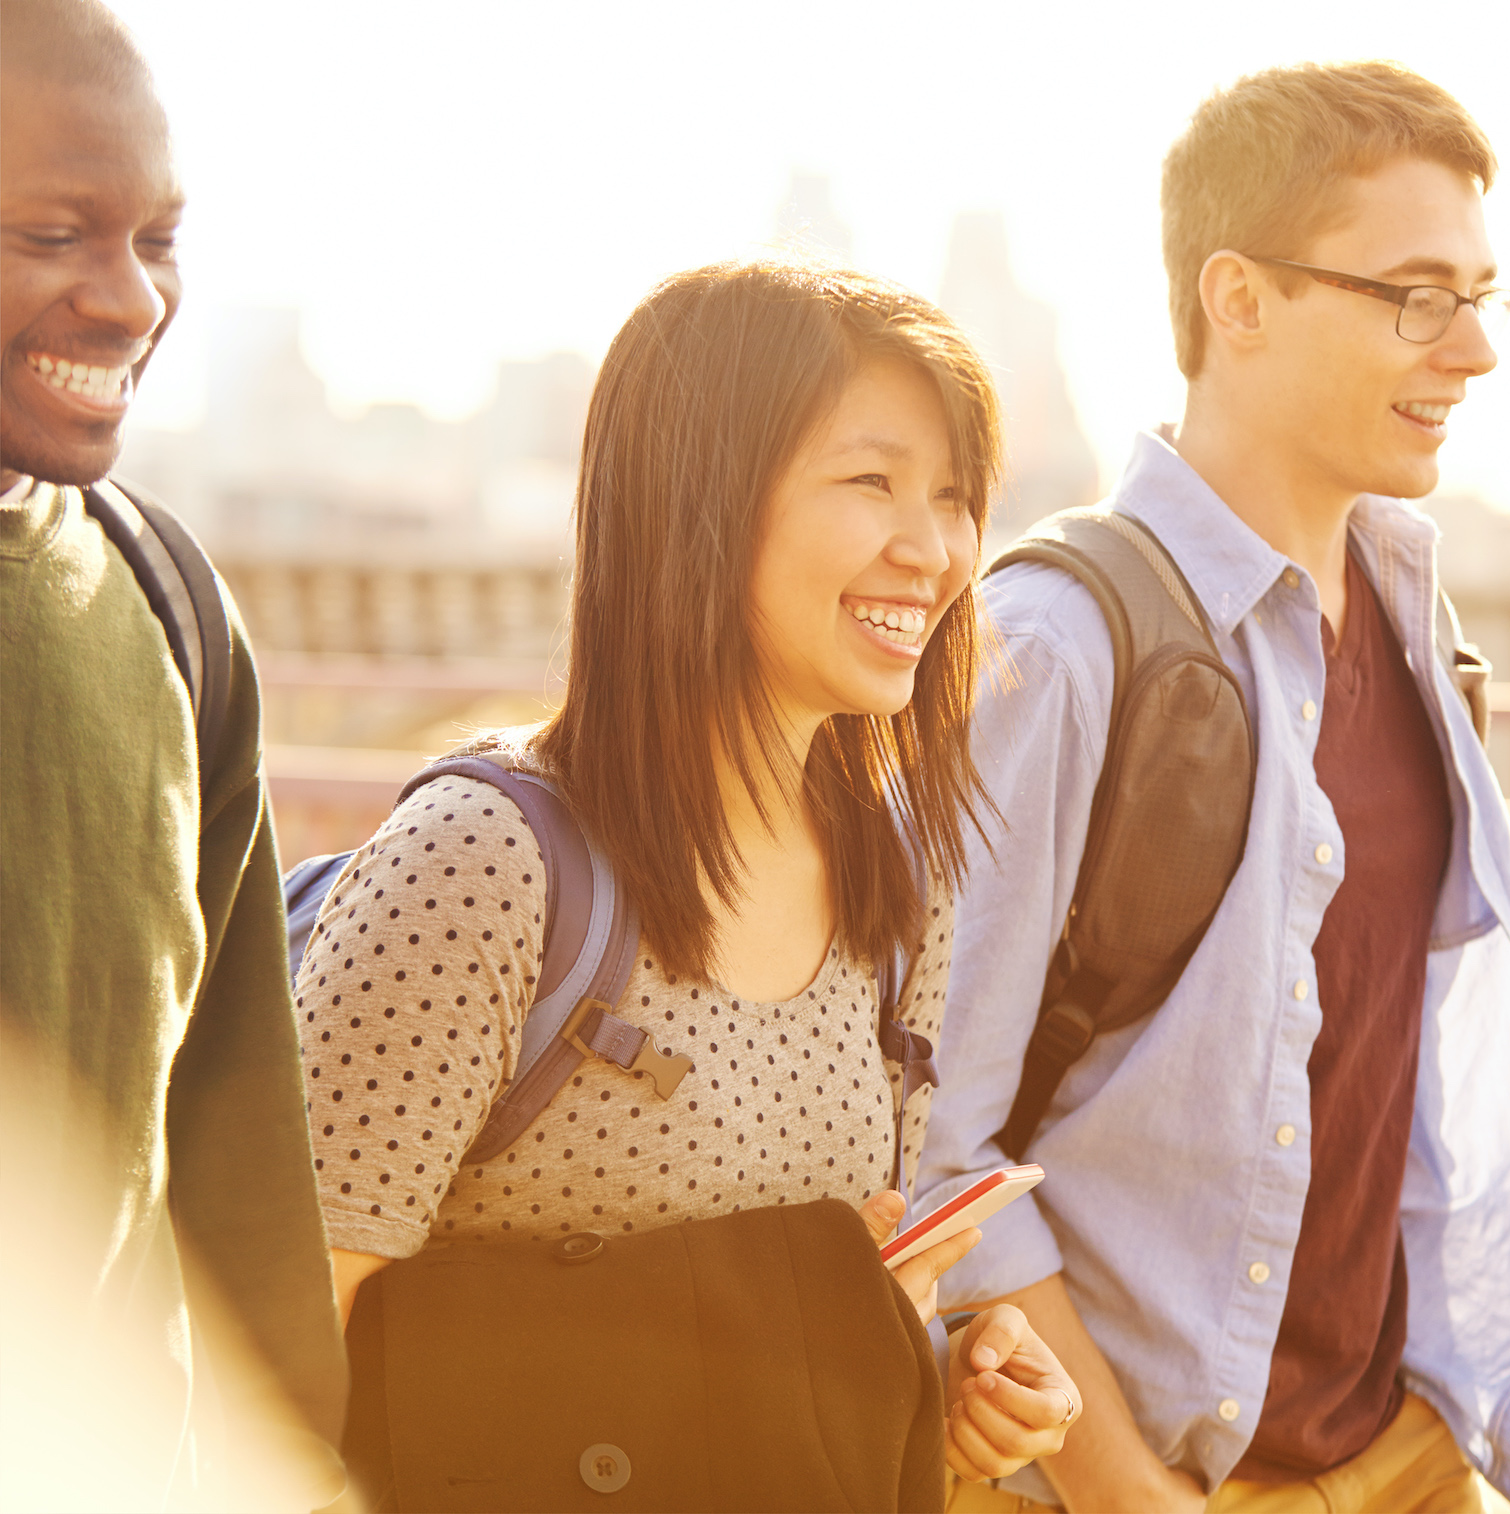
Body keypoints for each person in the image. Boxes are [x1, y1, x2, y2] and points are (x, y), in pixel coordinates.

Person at [915, 60, 1510, 1514]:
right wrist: (1127, 1495)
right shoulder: (1063, 645)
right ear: (1238, 300)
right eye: (1416, 294)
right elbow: (934, 1144)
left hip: (1399, 1445)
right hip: (1137, 1472)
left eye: (1485, 294)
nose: (1471, 348)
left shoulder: (1420, 623)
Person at [295, 259, 1081, 1499]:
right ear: (696, 503)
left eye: (953, 495)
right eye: (870, 480)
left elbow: (827, 1327)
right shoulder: (486, 864)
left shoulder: (896, 890)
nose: (931, 549)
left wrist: (940, 1380)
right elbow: (274, 1354)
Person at [0, 0, 348, 1507]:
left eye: (158, 238)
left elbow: (238, 1150)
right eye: (57, 233)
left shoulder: (169, 604)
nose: (130, 300)